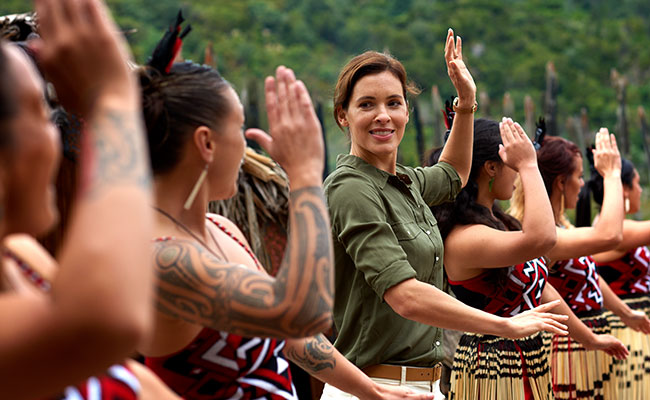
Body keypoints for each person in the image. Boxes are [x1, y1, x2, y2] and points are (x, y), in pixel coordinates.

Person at [137, 17, 434, 399]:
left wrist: (372, 392)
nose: (246, 149)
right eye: (238, 128)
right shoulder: (163, 258)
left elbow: (296, 336)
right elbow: (303, 312)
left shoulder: (222, 229)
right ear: (206, 144)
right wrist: (305, 176)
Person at [323, 30, 568, 399]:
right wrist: (503, 326)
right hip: (375, 387)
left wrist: (466, 102)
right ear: (343, 115)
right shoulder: (351, 188)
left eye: (393, 103)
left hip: (424, 385)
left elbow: (454, 172)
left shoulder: (406, 182)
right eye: (366, 105)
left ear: (407, 110)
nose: (383, 116)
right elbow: (404, 296)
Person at [0, 0, 155, 397]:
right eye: (40, 110)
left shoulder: (21, 259)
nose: (56, 134)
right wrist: (112, 101)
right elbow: (103, 324)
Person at [431, 118, 627, 400]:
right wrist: (530, 165)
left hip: (527, 363)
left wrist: (590, 339)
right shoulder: (466, 238)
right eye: (513, 166)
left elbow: (541, 289)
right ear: (491, 168)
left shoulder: (500, 226)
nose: (517, 175)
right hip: (493, 372)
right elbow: (542, 240)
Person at [508, 128, 643, 399]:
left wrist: (624, 313)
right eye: (579, 177)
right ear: (560, 182)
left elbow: (591, 277)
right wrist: (612, 174)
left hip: (584, 348)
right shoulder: (541, 237)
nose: (582, 184)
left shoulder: (561, 227)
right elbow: (609, 235)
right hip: (566, 352)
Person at [576, 153, 650, 397]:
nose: (640, 189)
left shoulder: (613, 228)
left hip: (632, 328)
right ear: (625, 190)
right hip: (627, 332)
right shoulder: (620, 231)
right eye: (637, 183)